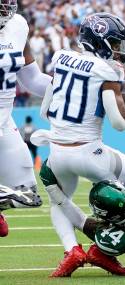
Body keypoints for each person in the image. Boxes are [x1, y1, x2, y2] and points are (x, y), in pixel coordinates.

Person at [31, 13, 125, 278]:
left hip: (57, 152)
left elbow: (45, 111)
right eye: (115, 41)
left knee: (59, 202)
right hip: (90, 153)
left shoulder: (62, 58)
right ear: (100, 41)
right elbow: (120, 122)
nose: (120, 48)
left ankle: (71, 250)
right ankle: (106, 251)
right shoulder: (108, 70)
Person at [0, 0, 53, 237]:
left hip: (4, 121)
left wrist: (72, 85)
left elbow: (32, 80)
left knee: (27, 195)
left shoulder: (18, 25)